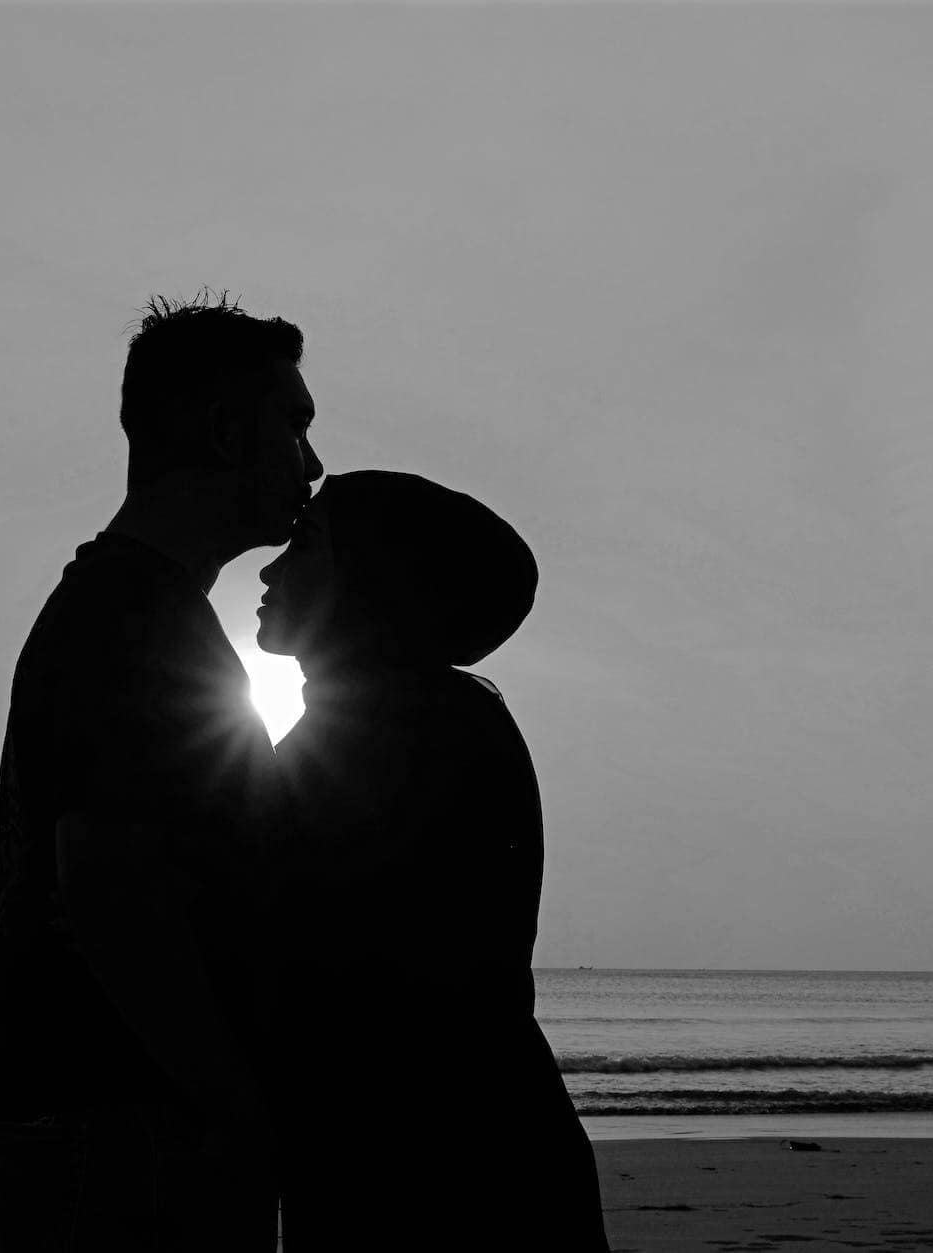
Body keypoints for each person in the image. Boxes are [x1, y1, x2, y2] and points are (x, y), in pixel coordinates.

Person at [0, 291, 322, 1251]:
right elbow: (110, 889)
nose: (313, 462)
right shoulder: (133, 623)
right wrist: (231, 1106)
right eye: (292, 426)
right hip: (124, 1130)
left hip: (112, 1120)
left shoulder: (138, 611)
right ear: (220, 430)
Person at [256, 470, 611, 1251]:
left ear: (372, 576)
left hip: (430, 1165)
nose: (270, 569)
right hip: (441, 1145)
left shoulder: (397, 736)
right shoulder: (428, 720)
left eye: (304, 546)